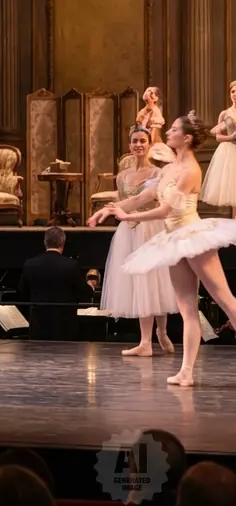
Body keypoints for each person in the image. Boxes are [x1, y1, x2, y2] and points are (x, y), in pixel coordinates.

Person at [106, 111, 236, 386]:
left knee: (227, 302)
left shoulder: (190, 170)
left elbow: (166, 208)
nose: (168, 133)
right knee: (187, 308)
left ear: (185, 138)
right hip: (174, 240)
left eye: (174, 129)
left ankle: (187, 370)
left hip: (192, 236)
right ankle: (186, 371)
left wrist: (130, 217)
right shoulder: (167, 169)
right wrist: (113, 210)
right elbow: (145, 196)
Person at [87, 129, 177, 356]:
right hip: (128, 230)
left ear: (149, 145)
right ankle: (145, 341)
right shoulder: (122, 175)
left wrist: (108, 212)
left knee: (155, 281)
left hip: (150, 227)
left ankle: (161, 332)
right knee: (140, 283)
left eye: (143, 141)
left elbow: (146, 201)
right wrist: (108, 211)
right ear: (129, 145)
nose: (138, 145)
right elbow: (122, 200)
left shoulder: (158, 172)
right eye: (135, 141)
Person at [18, 227, 93, 341]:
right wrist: (90, 286)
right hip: (65, 327)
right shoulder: (71, 265)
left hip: (38, 326)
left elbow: (22, 292)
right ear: (62, 243)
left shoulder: (30, 264)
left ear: (45, 243)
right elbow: (84, 292)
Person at [201, 80, 236, 215]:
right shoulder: (225, 113)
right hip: (229, 152)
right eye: (233, 91)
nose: (235, 94)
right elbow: (218, 136)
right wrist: (231, 137)